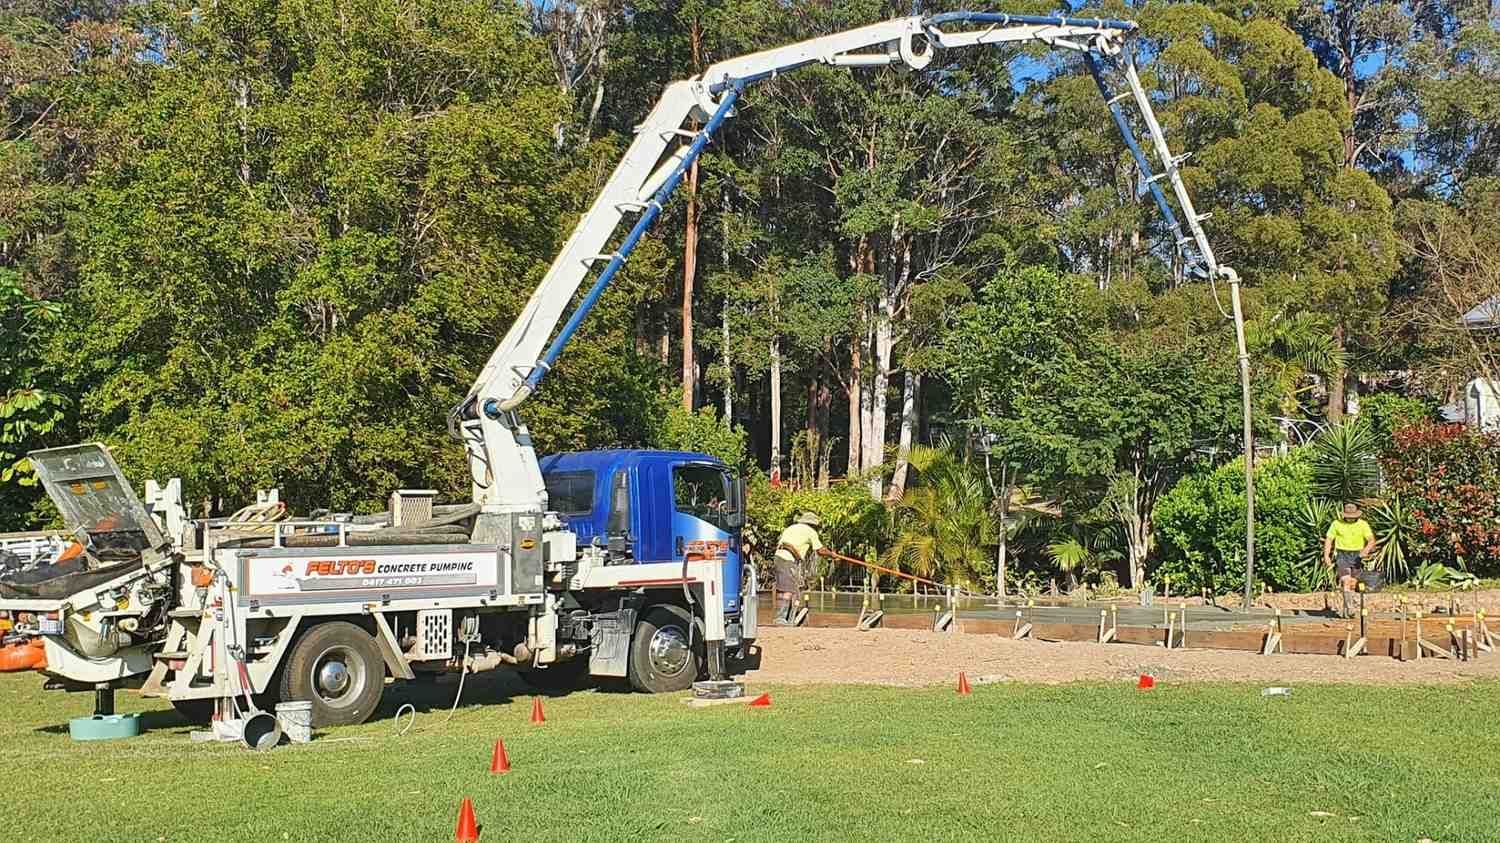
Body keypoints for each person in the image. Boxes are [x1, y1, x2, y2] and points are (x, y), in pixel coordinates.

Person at [1323, 502, 1377, 616]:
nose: (1351, 519)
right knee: (1346, 580)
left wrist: (1366, 550)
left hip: (1357, 555)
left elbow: (1371, 540)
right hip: (1342, 554)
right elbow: (1329, 539)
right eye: (1348, 517)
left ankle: (1346, 610)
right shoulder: (1336, 524)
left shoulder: (1363, 524)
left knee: (1352, 583)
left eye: (1353, 517)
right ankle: (1350, 608)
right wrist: (1326, 555)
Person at [772, 511, 826, 625]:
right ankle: (781, 618)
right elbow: (820, 550)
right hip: (788, 559)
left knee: (784, 588)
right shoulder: (811, 531)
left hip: (778, 557)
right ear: (813, 524)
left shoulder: (791, 528)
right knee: (789, 589)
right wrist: (832, 555)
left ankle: (785, 617)